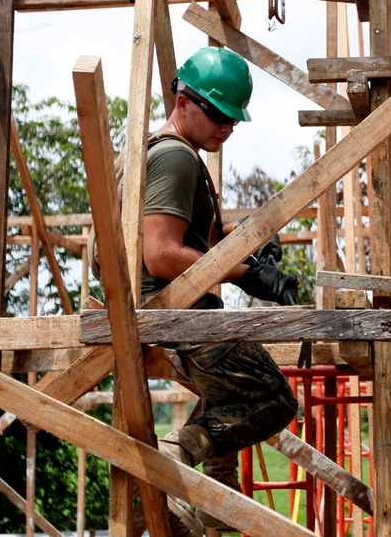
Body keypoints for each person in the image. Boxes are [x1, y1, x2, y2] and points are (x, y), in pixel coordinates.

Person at [140, 46, 299, 536]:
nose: (226, 126)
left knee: (227, 403)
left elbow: (197, 242)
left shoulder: (173, 153)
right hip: (175, 314)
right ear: (182, 100)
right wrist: (241, 274)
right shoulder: (175, 159)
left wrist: (246, 241)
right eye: (217, 113)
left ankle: (209, 512)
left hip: (177, 310)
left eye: (234, 118)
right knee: (274, 399)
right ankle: (176, 455)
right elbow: (162, 255)